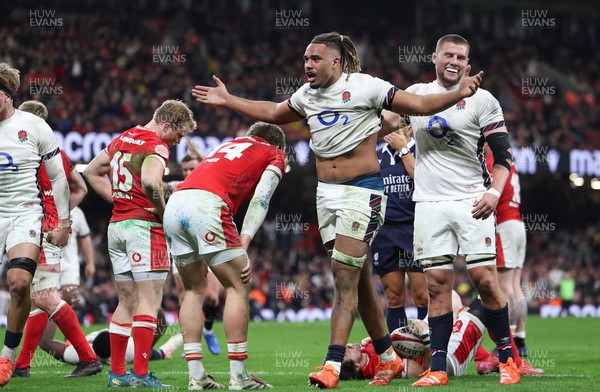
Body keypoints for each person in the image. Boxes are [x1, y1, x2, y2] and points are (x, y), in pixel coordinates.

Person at [192, 31, 482, 389]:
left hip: (363, 192)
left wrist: (457, 94)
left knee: (341, 276)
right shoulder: (307, 95)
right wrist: (228, 99)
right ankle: (389, 359)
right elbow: (273, 112)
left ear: (336, 62)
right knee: (357, 282)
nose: (308, 65)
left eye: (315, 59)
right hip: (326, 195)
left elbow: (418, 106)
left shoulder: (367, 87)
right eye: (305, 60)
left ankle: (331, 363)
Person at [406, 34, 520, 386]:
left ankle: (507, 359)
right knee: (436, 286)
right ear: (435, 57)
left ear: (468, 65)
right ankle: (437, 369)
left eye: (461, 57)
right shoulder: (416, 95)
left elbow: (503, 158)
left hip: (471, 201)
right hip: (428, 203)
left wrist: (494, 193)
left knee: (486, 280)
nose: (454, 61)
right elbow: (384, 123)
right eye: (448, 54)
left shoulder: (483, 100)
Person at [163, 122, 287, 390]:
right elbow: (261, 199)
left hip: (175, 204)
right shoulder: (274, 152)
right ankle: (239, 378)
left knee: (193, 291)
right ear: (277, 144)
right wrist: (244, 241)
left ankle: (196, 377)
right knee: (237, 286)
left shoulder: (226, 144)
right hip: (208, 205)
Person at [83, 99, 196, 388]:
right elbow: (149, 183)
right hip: (145, 228)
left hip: (117, 226)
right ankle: (142, 374)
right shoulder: (157, 145)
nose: (179, 142)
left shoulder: (123, 137)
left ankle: (118, 374)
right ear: (167, 124)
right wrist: (162, 212)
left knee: (126, 302)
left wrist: (118, 199)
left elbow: (91, 171)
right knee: (149, 301)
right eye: (179, 135)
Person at [12, 100, 101, 378]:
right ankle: (23, 365)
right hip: (47, 229)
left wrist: (54, 216)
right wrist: (60, 214)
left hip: (38, 232)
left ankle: (89, 358)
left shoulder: (29, 152)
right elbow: (82, 188)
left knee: (45, 297)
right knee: (38, 301)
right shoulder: (58, 154)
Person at [0, 64, 71, 387]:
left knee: (18, 283)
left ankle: (7, 358)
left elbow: (58, 177)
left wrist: (65, 221)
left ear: (5, 97)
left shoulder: (33, 126)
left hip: (23, 213)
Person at [166, 149, 223, 356]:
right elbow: (153, 188)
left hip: (208, 246)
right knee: (185, 296)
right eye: (185, 169)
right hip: (181, 248)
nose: (188, 172)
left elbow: (217, 167)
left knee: (212, 297)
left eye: (192, 168)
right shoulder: (174, 188)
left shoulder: (210, 186)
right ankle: (191, 341)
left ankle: (207, 329)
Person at [373, 123, 429, 332]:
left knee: (423, 296)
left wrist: (403, 149)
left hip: (415, 229)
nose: (392, 130)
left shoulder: (422, 151)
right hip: (385, 232)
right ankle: (399, 354)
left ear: (409, 127)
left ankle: (426, 351)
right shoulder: (375, 156)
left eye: (399, 125)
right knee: (394, 297)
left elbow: (423, 181)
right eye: (387, 125)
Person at [484, 146, 529, 357]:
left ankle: (509, 341)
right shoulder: (510, 162)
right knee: (515, 286)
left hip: (505, 225)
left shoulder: (493, 161)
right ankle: (520, 339)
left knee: (505, 287)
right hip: (518, 224)